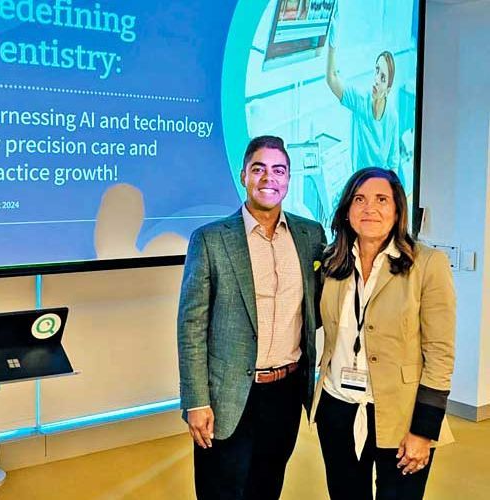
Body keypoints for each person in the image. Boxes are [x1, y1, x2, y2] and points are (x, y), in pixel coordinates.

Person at [177, 135, 327, 499]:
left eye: (278, 170)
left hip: (287, 391)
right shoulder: (211, 239)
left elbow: (322, 307)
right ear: (243, 175)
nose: (268, 178)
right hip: (228, 394)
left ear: (288, 179)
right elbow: (191, 326)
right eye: (258, 169)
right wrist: (196, 401)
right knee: (222, 490)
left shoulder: (310, 235)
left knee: (267, 485)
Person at [311, 167, 455, 499]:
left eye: (381, 200)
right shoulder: (332, 263)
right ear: (347, 210)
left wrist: (424, 431)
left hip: (402, 415)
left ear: (397, 210)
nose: (369, 209)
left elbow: (440, 355)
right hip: (338, 408)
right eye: (359, 199)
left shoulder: (427, 264)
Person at [326, 5, 401, 172]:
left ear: (388, 89)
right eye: (376, 71)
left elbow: (393, 163)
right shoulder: (361, 101)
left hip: (380, 185)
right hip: (360, 184)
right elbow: (331, 79)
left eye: (382, 78)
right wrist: (332, 44)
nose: (376, 80)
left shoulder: (391, 117)